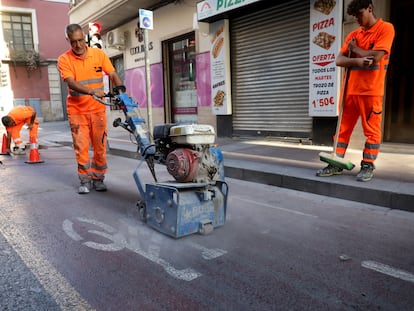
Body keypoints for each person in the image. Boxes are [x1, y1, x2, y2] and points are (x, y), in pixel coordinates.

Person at [316, 0, 395, 182]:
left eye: (360, 14)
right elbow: (338, 60)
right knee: (341, 130)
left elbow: (376, 57)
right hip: (349, 91)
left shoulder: (386, 29)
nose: (357, 19)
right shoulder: (353, 34)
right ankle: (336, 163)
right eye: (354, 16)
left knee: (372, 131)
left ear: (370, 8)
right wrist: (358, 60)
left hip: (371, 91)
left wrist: (355, 50)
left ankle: (367, 165)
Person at [57, 23, 124, 194]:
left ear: (85, 37)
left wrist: (121, 90)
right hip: (77, 112)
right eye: (73, 42)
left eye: (80, 40)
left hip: (97, 110)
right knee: (82, 147)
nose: (78, 45)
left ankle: (98, 178)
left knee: (100, 146)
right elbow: (70, 82)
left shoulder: (98, 54)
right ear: (68, 41)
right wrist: (90, 91)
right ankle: (85, 180)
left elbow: (113, 73)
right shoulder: (64, 59)